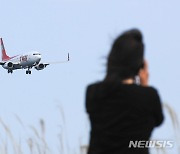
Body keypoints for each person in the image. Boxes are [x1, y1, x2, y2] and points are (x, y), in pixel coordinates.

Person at [86, 29, 164, 154]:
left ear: (111, 59)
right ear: (140, 66)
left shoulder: (93, 93)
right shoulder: (149, 96)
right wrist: (145, 87)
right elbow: (158, 120)